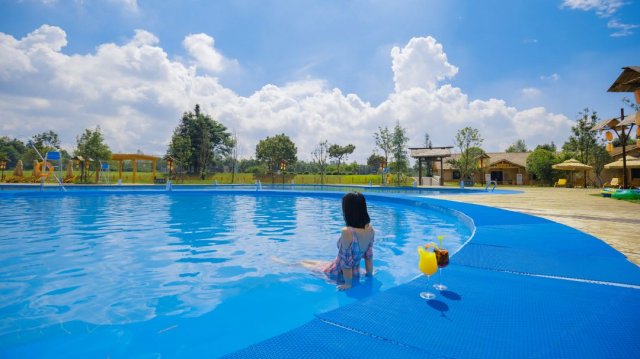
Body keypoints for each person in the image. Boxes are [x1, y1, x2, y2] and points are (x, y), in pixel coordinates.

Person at [304, 192, 375, 291]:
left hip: (338, 272)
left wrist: (348, 284)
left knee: (303, 264)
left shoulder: (347, 232)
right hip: (355, 270)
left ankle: (285, 263)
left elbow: (346, 262)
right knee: (310, 262)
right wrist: (369, 274)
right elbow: (368, 256)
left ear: (348, 211)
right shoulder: (370, 229)